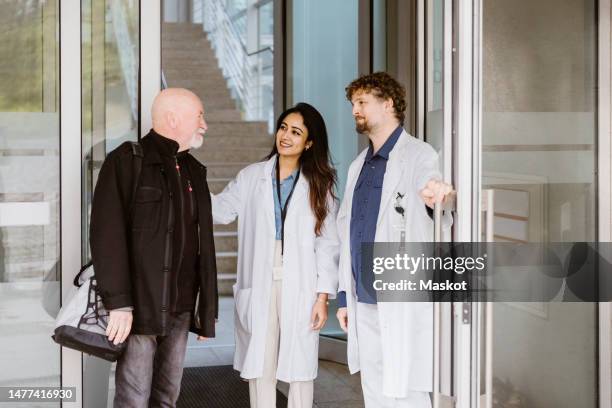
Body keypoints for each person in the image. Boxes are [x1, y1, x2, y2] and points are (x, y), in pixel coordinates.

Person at [90, 88, 218, 407]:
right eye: (199, 116)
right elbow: (107, 235)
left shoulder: (194, 171)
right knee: (134, 397)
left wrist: (207, 312)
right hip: (140, 306)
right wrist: (119, 303)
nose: (204, 124)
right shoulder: (126, 161)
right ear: (173, 118)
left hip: (181, 307)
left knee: (167, 396)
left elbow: (204, 245)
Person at [335, 72, 453, 408]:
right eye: (353, 103)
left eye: (362, 102)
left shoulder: (418, 155)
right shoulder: (360, 165)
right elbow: (349, 232)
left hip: (400, 293)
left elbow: (431, 188)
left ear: (387, 104)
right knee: (374, 388)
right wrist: (344, 295)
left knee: (408, 390)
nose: (355, 110)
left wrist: (437, 195)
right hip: (363, 297)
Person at [211, 102, 339, 408]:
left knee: (300, 363)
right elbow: (221, 210)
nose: (286, 136)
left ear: (309, 143)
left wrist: (322, 297)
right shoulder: (252, 176)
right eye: (283, 128)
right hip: (261, 276)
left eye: (296, 132)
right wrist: (188, 183)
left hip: (301, 280)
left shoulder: (321, 184)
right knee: (261, 360)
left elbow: (328, 243)